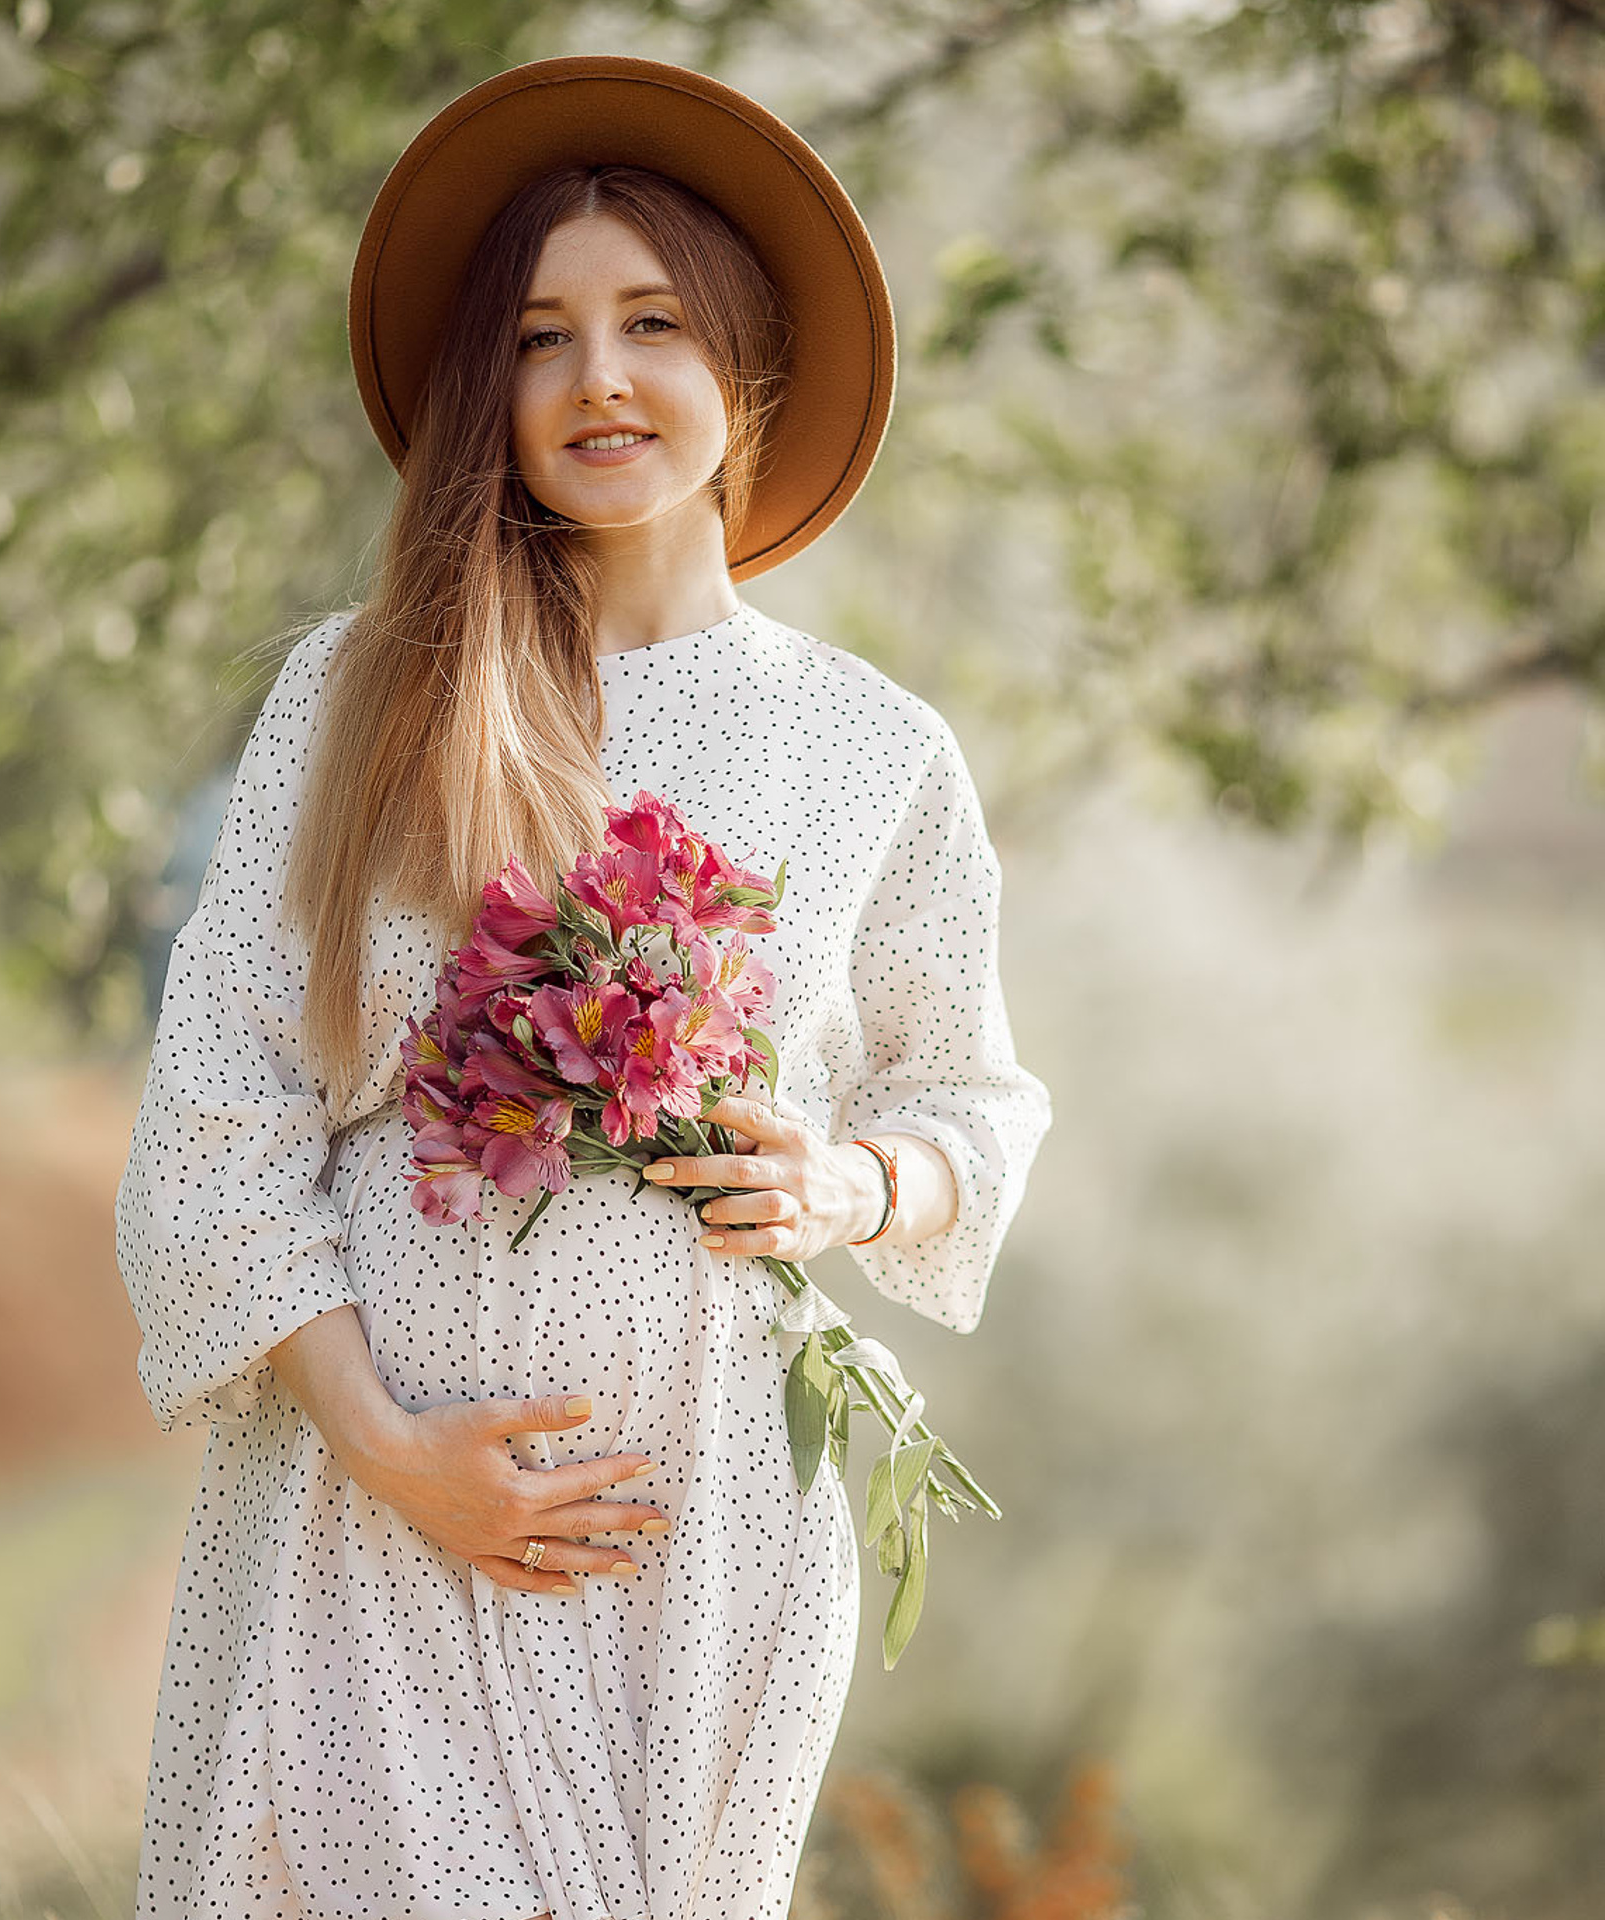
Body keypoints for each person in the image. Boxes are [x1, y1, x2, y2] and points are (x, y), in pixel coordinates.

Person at [114, 53, 1053, 1920]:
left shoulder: (872, 749)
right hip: (374, 1512)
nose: (599, 379)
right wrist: (393, 1451)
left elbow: (973, 1101)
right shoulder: (370, 686)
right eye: (542, 338)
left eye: (653, 325)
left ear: (746, 372)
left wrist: (851, 1182)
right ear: (492, 386)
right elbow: (222, 1110)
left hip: (711, 1537)